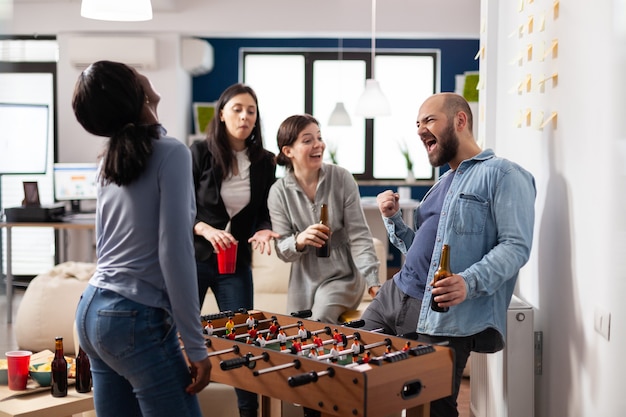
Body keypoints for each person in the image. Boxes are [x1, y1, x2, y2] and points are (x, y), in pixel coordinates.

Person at [361, 92, 536, 417]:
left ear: (460, 120)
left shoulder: (504, 175)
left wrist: (467, 283)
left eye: (429, 120)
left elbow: (516, 246)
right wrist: (393, 220)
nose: (419, 129)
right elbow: (421, 251)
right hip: (392, 295)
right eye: (417, 124)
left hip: (442, 315)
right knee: (356, 381)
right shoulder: (442, 183)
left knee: (431, 408)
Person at [72, 61, 211, 417]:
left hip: (91, 312)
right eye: (132, 73)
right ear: (134, 92)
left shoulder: (109, 160)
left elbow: (104, 247)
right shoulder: (171, 152)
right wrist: (195, 346)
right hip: (131, 317)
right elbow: (175, 252)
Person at [190, 83, 277, 417]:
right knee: (183, 336)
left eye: (251, 111)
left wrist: (265, 229)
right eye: (238, 109)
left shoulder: (265, 162)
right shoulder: (199, 152)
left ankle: (248, 412)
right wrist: (205, 229)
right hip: (195, 258)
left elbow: (265, 210)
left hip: (236, 262)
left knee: (243, 340)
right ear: (222, 113)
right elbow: (181, 207)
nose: (244, 116)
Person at [267, 114, 381, 324]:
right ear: (288, 151)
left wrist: (373, 281)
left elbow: (359, 236)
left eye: (319, 138)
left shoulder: (342, 178)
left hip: (343, 276)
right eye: (308, 140)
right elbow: (283, 250)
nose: (318, 145)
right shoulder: (278, 192)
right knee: (298, 329)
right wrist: (300, 240)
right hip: (304, 279)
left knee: (320, 318)